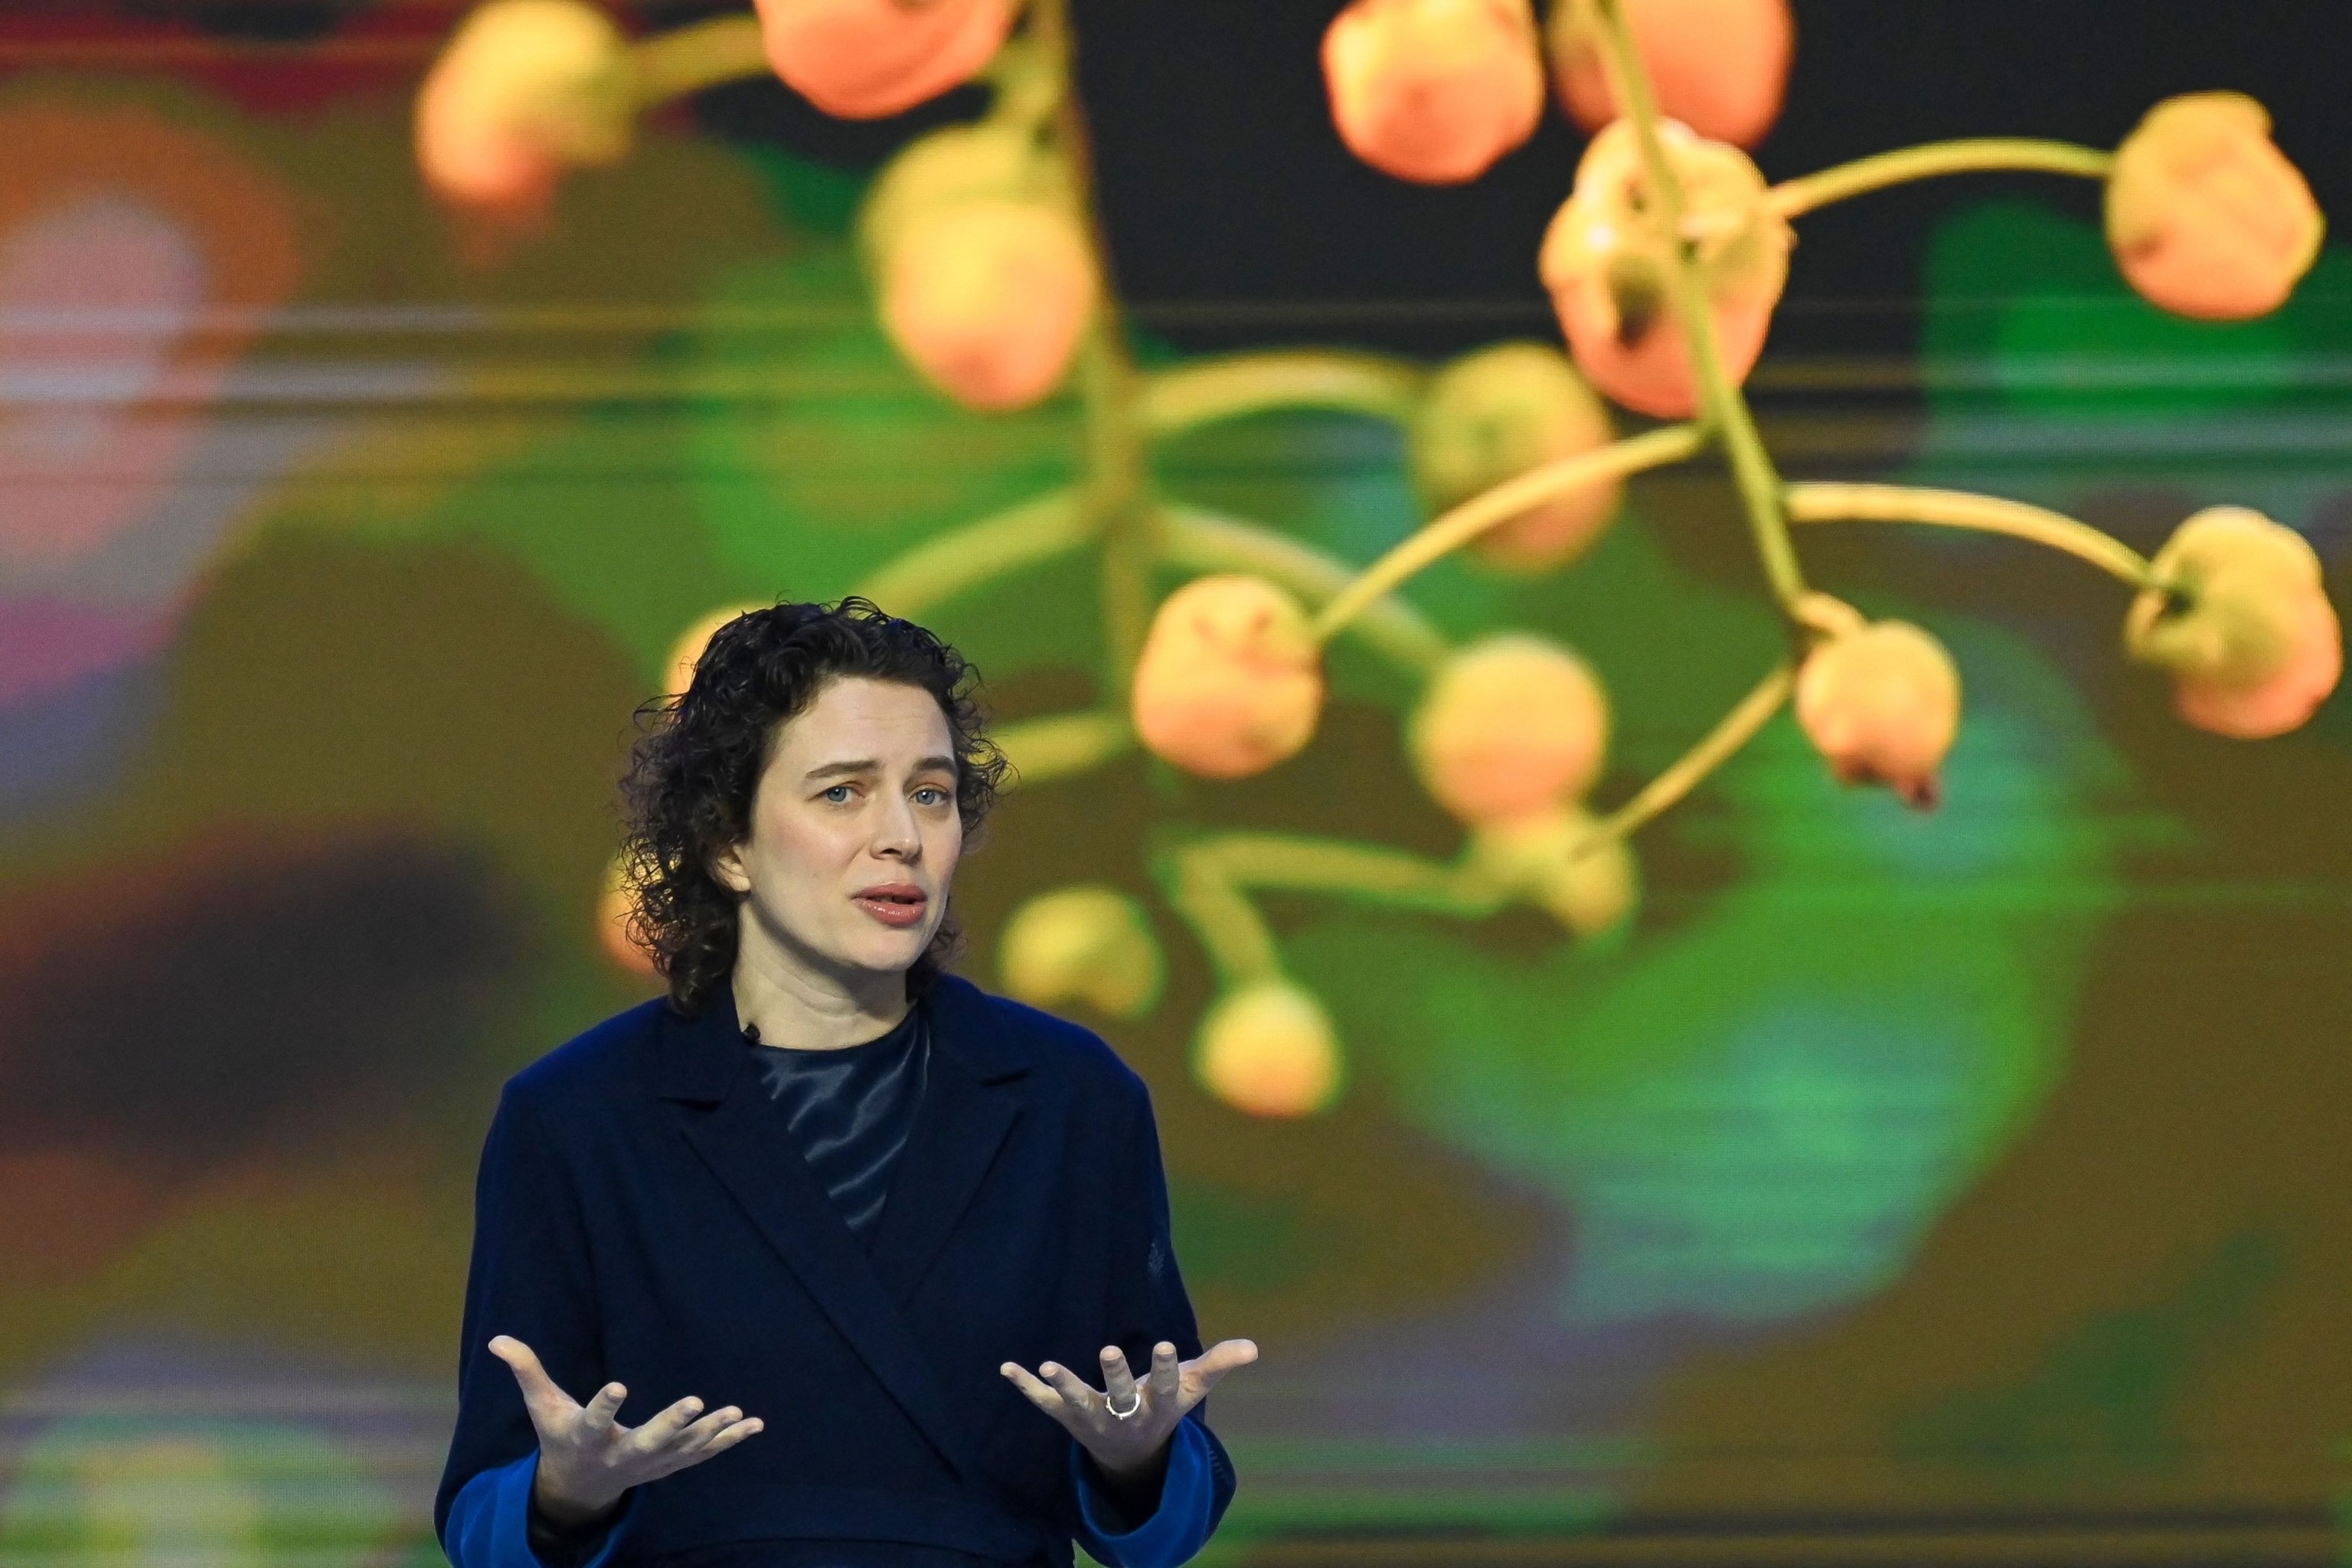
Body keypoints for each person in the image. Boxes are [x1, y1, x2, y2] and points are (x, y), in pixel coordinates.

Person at [433, 598, 1257, 1568]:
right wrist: (564, 1491)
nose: (901, 835)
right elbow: (484, 1522)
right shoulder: (574, 1117)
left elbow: (1167, 1515)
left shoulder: (1073, 1097)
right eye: (842, 793)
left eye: (933, 793)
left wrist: (1138, 1456)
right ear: (727, 843)